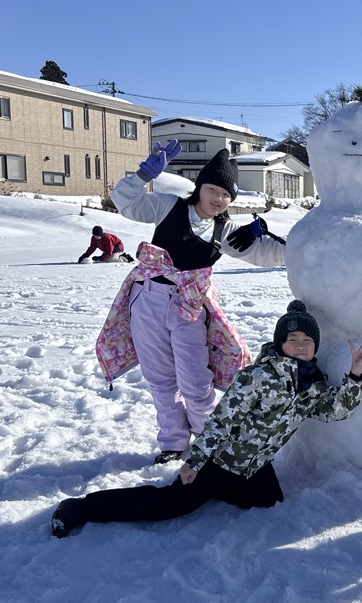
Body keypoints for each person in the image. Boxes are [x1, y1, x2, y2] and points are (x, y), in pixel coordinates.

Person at [51, 300, 362, 537]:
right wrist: (195, 462)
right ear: (280, 344)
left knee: (270, 502)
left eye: (307, 341)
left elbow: (335, 410)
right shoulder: (257, 377)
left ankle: (215, 490)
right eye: (292, 339)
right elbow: (220, 422)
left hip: (255, 465)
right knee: (171, 505)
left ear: (315, 347)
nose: (300, 345)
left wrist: (354, 375)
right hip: (220, 460)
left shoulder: (312, 387)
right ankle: (83, 507)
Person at [101, 141, 287, 464]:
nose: (218, 198)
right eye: (213, 189)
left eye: (226, 194)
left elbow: (267, 254)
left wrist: (292, 242)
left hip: (189, 309)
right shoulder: (168, 207)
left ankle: (208, 443)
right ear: (199, 187)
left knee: (196, 382)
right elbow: (126, 201)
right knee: (161, 379)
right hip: (148, 301)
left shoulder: (225, 231)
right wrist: (144, 175)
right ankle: (173, 443)